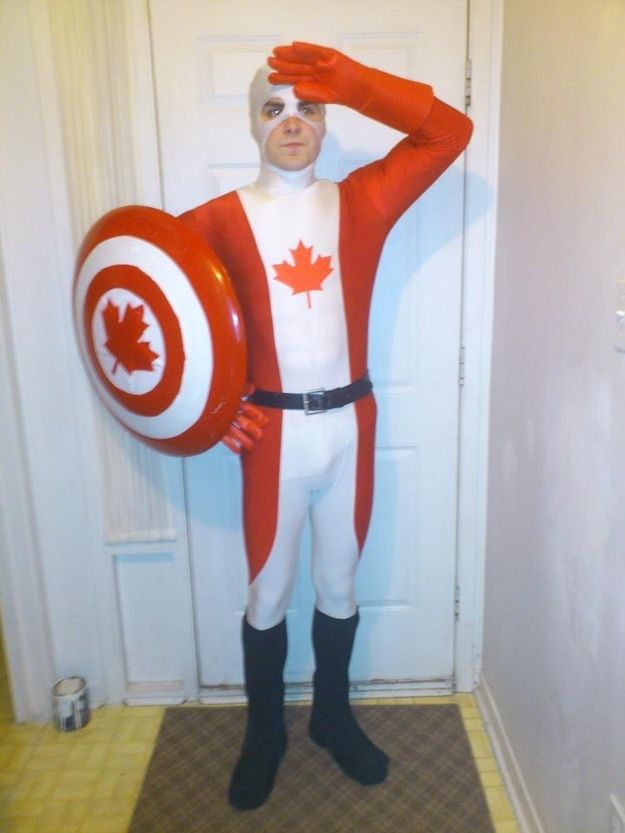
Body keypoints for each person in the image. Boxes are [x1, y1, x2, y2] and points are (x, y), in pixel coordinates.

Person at [179, 41, 472, 811]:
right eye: (273, 107)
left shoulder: (363, 199)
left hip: (350, 424)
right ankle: (265, 732)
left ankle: (332, 718)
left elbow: (448, 132)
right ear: (251, 124)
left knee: (339, 581)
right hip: (272, 434)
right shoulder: (210, 221)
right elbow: (167, 327)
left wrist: (356, 83)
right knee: (268, 591)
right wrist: (207, 416)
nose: (292, 121)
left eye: (308, 106)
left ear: (326, 119)